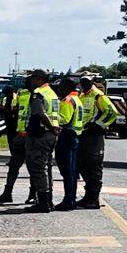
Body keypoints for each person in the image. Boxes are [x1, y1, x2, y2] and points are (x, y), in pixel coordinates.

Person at [76, 77, 119, 209]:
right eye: (82, 81)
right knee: (83, 166)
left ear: (92, 82)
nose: (83, 84)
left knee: (94, 167)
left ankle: (94, 198)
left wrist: (98, 125)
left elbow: (112, 112)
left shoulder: (98, 96)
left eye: (86, 81)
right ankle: (88, 196)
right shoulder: (82, 95)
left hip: (94, 136)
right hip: (82, 135)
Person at [22, 69, 60, 213]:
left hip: (40, 134)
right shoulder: (52, 93)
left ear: (39, 79)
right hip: (50, 135)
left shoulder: (38, 93)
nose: (30, 81)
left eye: (32, 78)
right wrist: (54, 128)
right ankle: (48, 200)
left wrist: (51, 127)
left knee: (37, 168)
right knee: (47, 168)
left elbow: (40, 113)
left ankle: (43, 202)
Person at [0, 84, 34, 204]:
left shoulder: (42, 94)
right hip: (19, 134)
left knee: (33, 168)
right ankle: (7, 193)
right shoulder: (23, 94)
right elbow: (16, 110)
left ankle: (33, 195)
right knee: (13, 166)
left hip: (33, 137)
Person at [53, 77, 83, 211]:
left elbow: (64, 119)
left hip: (67, 137)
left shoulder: (67, 100)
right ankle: (71, 199)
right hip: (74, 137)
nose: (59, 89)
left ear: (66, 87)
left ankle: (68, 200)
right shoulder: (77, 99)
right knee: (71, 171)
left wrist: (50, 116)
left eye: (61, 86)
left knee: (67, 171)